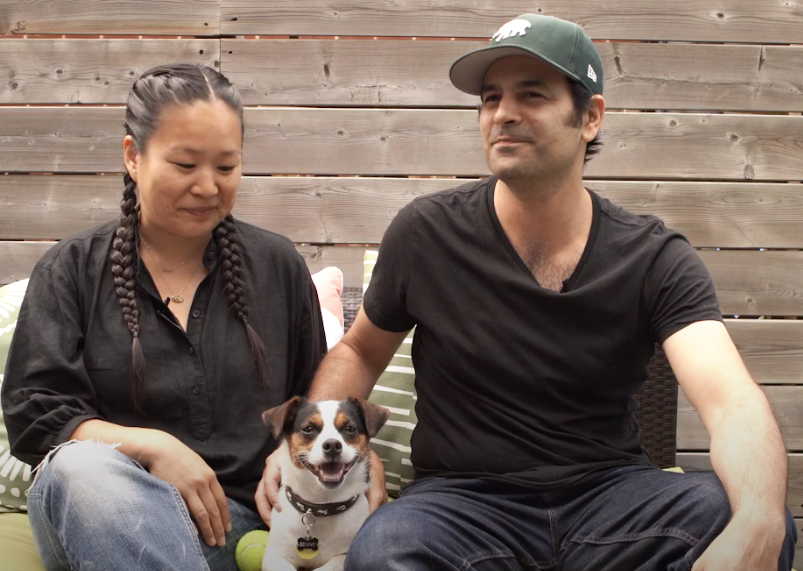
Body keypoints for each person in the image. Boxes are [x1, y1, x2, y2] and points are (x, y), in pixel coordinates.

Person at [260, 14, 797, 571]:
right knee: (385, 551)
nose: (503, 113)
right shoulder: (425, 234)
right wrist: (303, 448)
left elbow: (729, 397)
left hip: (614, 499)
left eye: (531, 95)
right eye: (491, 98)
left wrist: (759, 519)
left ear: (590, 117)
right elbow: (359, 350)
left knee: (746, 518)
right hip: (460, 505)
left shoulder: (653, 256)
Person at [1, 64, 327, 571]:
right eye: (185, 164)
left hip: (237, 525)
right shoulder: (71, 269)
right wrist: (154, 448)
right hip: (98, 514)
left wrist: (294, 455)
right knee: (80, 468)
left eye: (226, 167)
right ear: (133, 156)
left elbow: (314, 399)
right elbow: (34, 414)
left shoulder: (277, 266)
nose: (207, 186)